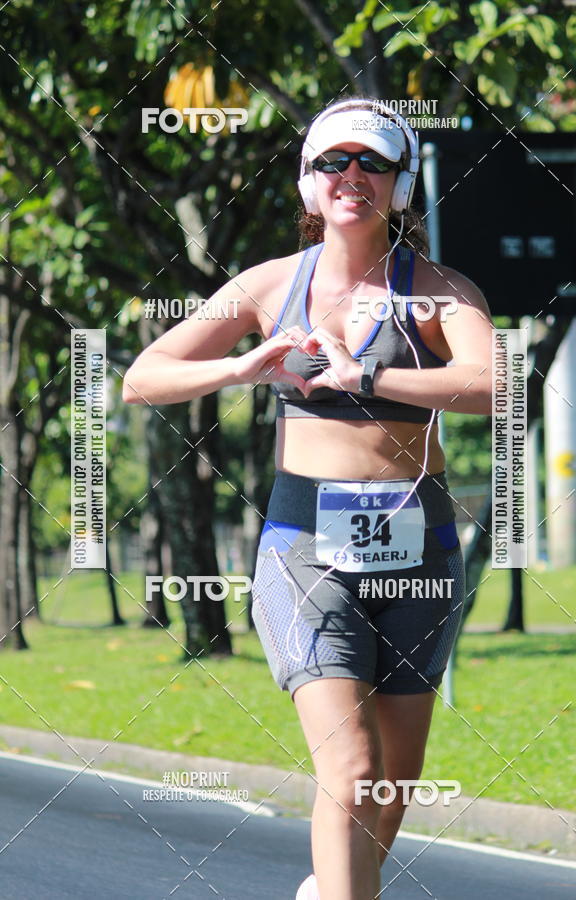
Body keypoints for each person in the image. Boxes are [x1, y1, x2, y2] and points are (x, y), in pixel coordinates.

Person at [123, 97, 493, 900]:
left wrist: (366, 376)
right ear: (308, 183)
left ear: (400, 185)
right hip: (305, 548)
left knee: (394, 778)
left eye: (371, 163)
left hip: (419, 545)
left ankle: (332, 891)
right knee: (352, 766)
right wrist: (244, 366)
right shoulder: (265, 285)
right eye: (333, 161)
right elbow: (141, 378)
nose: (350, 176)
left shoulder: (438, 291)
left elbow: (494, 384)